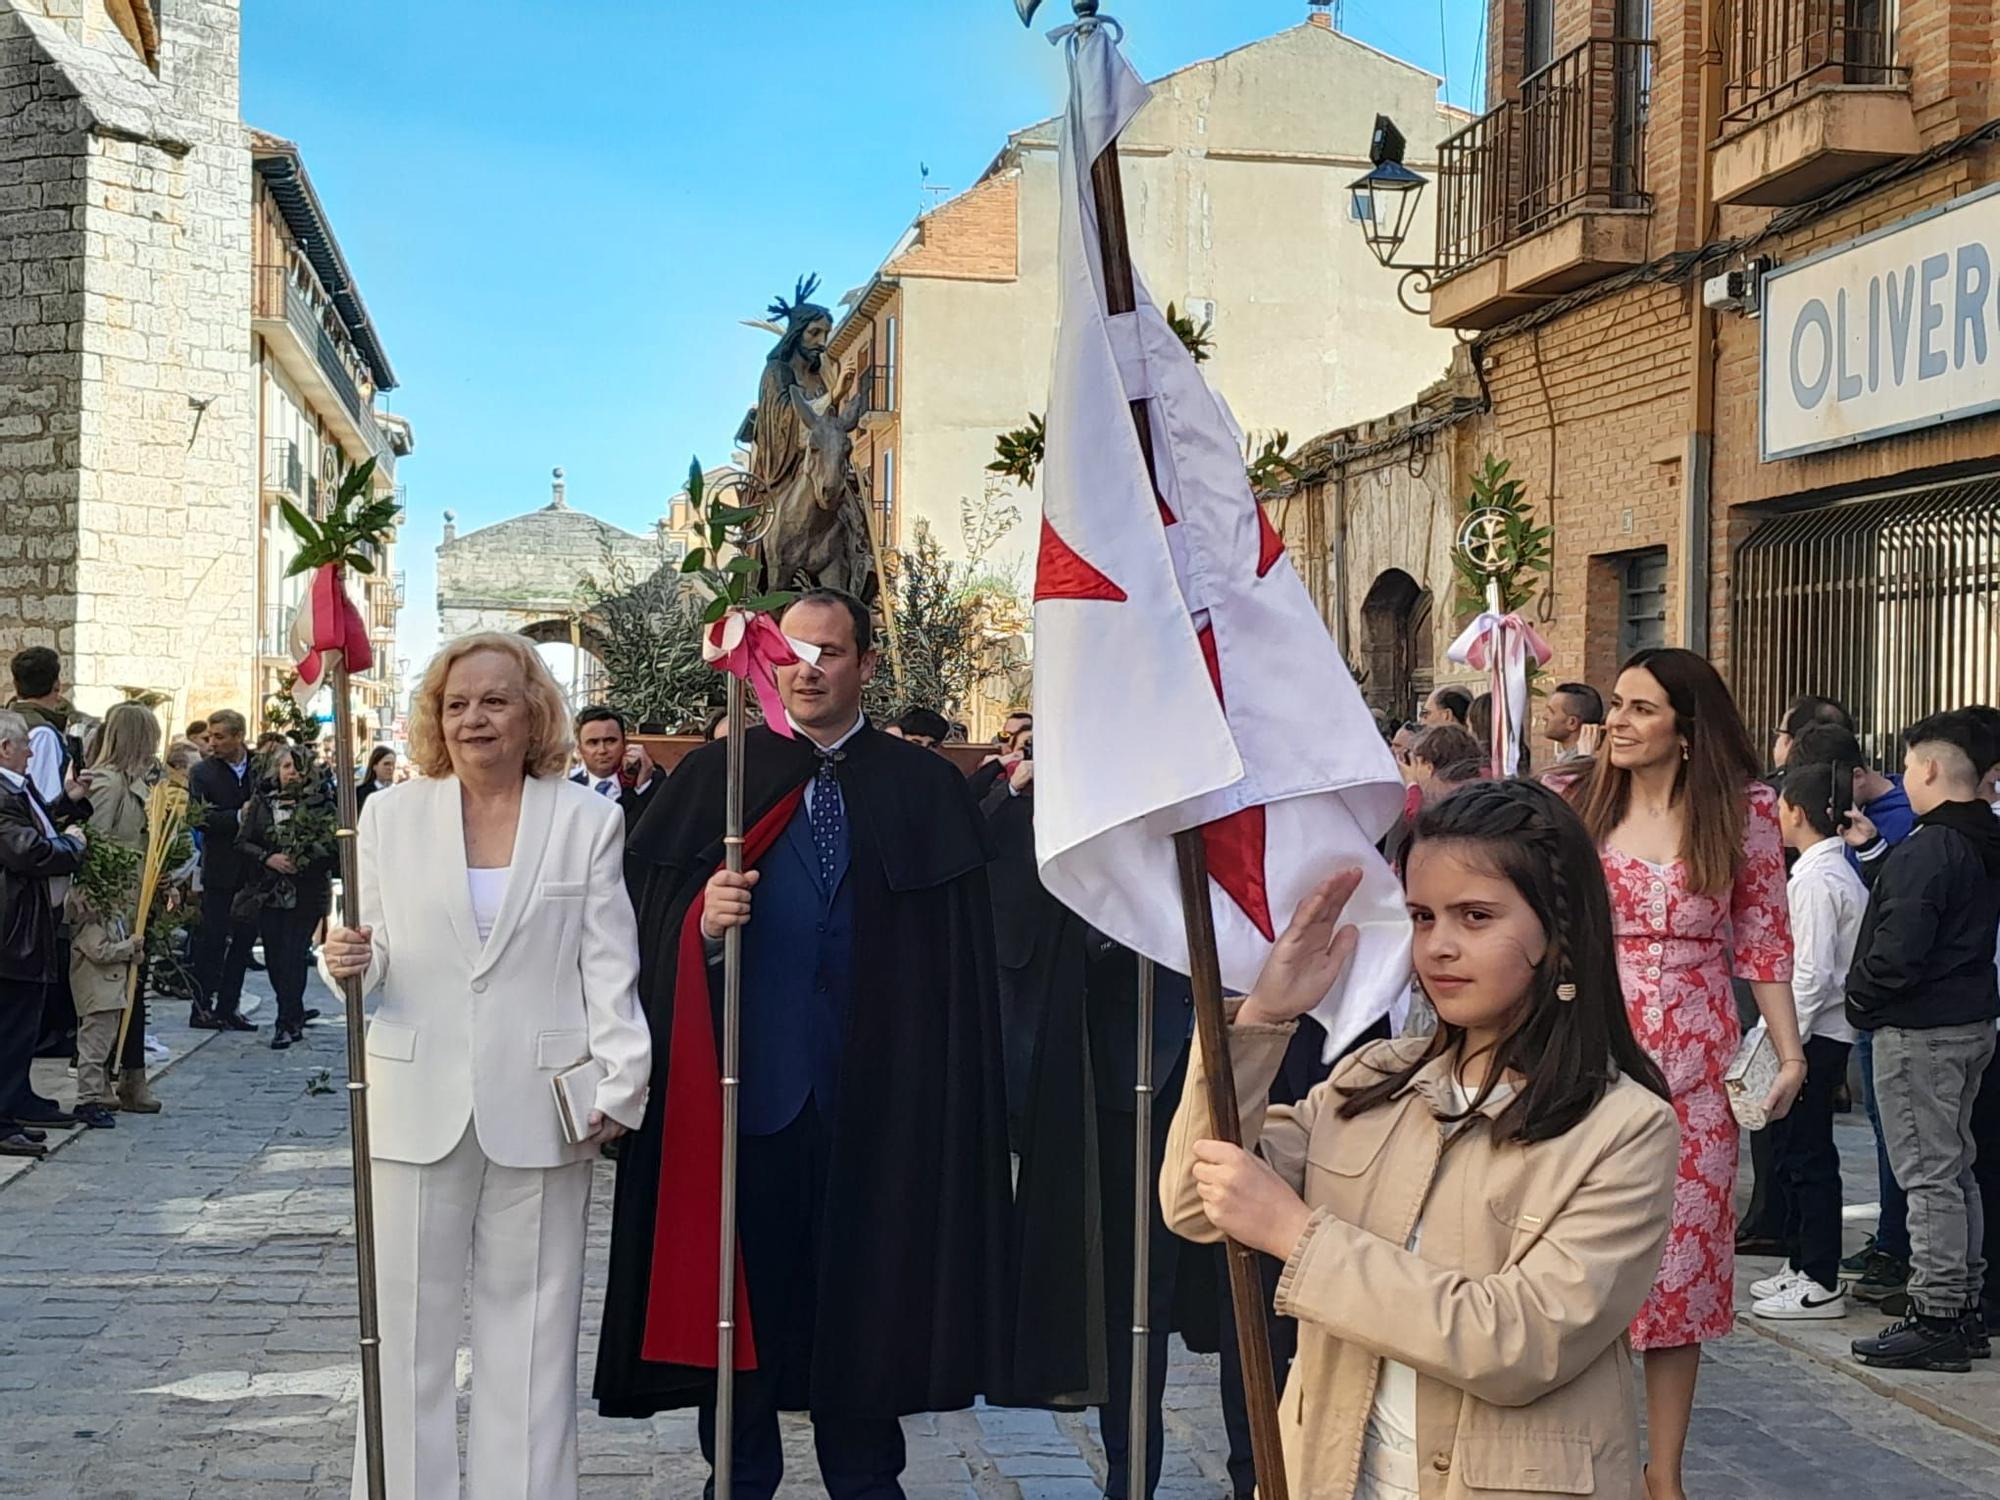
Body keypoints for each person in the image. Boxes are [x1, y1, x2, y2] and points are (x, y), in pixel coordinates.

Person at [595, 588, 1069, 1498]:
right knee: (742, 1310)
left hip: (877, 1103)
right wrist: (699, 923)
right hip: (749, 1099)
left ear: (866, 665)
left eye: (829, 652)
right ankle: (737, 1479)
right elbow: (639, 938)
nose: (807, 669)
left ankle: (866, 1480)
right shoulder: (716, 782)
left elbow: (961, 967)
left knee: (868, 1302)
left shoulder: (922, 787)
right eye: (789, 653)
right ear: (761, 663)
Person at [1162, 780, 1678, 1500]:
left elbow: (1520, 1342)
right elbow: (1195, 1200)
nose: (1439, 946)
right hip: (1332, 1472)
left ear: (1557, 931)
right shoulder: (1375, 1082)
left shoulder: (1624, 1128)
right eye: (1421, 916)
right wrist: (1263, 1018)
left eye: (1475, 917)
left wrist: (1298, 1235)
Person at [319, 631, 651, 1500]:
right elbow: (374, 950)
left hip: (543, 1104)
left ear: (533, 711)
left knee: (534, 1342)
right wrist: (344, 958)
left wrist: (621, 1078)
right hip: (412, 1095)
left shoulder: (588, 819)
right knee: (404, 1342)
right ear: (436, 715)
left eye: (495, 701)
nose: (475, 719)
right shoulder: (388, 816)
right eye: (458, 703)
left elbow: (608, 960)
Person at [1560, 647, 1803, 1500]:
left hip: (1698, 1068)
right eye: (1615, 706)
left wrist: (1790, 1048)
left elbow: (1766, 938)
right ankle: (1582, 1453)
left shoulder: (1745, 813)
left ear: (1687, 729)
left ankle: (1664, 1474)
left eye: (1639, 708)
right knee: (1578, 1257)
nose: (1616, 721)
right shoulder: (1575, 804)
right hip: (1589, 1052)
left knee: (1682, 1266)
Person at [1844, 710, 2000, 1373]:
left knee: (1929, 1174)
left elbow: (1901, 945)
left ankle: (1936, 1313)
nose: (1905, 777)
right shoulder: (1983, 839)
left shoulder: (1933, 846)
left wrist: (1861, 999)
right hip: (1968, 1019)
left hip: (1921, 1028)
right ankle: (1961, 1305)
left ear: (1932, 768)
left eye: (1908, 765)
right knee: (1954, 1169)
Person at [1750, 762, 1865, 1321]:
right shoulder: (1820, 873)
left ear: (1795, 811)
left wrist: (1779, 1038)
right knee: (1794, 1149)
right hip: (1812, 1031)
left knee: (1808, 1153)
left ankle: (1820, 1275)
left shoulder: (1820, 880)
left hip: (1815, 1034)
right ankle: (1800, 1264)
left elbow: (1812, 973)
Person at [0, 709, 87, 1155]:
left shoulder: (18, 787)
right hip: (12, 926)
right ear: (4, 748)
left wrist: (67, 803)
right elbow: (26, 850)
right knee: (10, 1021)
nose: (32, 752)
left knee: (23, 1022)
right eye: (25, 745)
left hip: (28, 920)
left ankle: (16, 1098)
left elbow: (39, 825)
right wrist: (73, 847)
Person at [75, 702, 163, 1115]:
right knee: (112, 993)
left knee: (135, 989)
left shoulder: (137, 782)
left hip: (135, 897)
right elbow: (95, 843)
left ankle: (132, 1075)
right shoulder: (108, 785)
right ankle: (109, 1076)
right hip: (113, 902)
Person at [236, 746, 333, 1050]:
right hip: (269, 892)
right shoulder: (263, 801)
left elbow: (332, 845)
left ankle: (285, 1021)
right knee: (276, 960)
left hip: (305, 892)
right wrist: (268, 857)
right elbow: (243, 842)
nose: (292, 772)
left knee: (293, 956)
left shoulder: (320, 803)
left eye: (298, 767)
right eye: (287, 766)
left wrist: (306, 856)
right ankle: (291, 1012)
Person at [187, 710, 260, 1033]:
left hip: (253, 870)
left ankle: (229, 1006)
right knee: (212, 941)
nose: (212, 742)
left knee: (243, 941)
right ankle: (202, 1007)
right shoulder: (203, 773)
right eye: (210, 736)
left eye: (220, 737)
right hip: (220, 869)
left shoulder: (260, 767)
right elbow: (199, 817)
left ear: (239, 736)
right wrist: (236, 817)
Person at [569, 707, 660, 830]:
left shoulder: (650, 784)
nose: (602, 750)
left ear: (625, 744)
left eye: (610, 741)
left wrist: (642, 789)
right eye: (593, 742)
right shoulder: (568, 787)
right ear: (579, 750)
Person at [1541, 681, 1604, 764]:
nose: (1544, 717)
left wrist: (1584, 760)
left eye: (1551, 712)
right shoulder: (1564, 760)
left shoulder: (1594, 765)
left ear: (1572, 723)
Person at [356, 746, 397, 813]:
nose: (390, 768)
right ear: (374, 766)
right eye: (386, 764)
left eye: (393, 764)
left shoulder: (398, 790)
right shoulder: (362, 792)